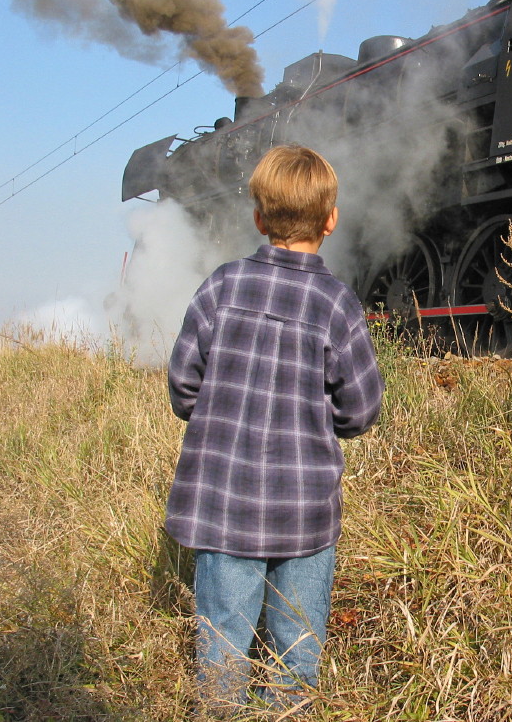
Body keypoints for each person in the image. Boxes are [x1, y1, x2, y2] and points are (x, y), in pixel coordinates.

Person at [165, 144, 385, 712]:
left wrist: (217, 416)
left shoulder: (220, 287)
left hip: (223, 503)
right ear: (331, 220)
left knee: (222, 646)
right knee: (297, 649)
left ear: (259, 218)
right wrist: (317, 421)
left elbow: (183, 384)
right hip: (305, 509)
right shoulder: (337, 304)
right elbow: (361, 410)